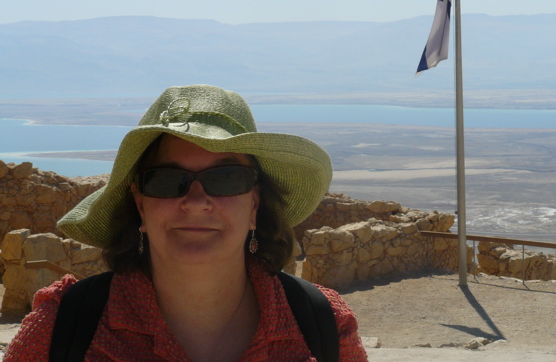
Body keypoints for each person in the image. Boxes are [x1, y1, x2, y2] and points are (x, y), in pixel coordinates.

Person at [4, 84, 368, 362]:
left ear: (254, 203)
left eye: (225, 178)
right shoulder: (63, 327)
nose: (196, 202)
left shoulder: (323, 326)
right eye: (167, 180)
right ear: (140, 205)